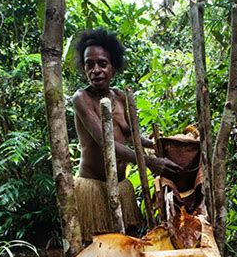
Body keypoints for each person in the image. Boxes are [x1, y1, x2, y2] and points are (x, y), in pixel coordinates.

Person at [73, 27, 180, 242]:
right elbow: (106, 143)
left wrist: (160, 145)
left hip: (121, 186)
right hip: (92, 188)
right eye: (89, 64)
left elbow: (132, 137)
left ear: (113, 67)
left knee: (127, 246)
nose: (96, 70)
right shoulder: (81, 99)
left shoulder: (121, 97)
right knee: (98, 252)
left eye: (102, 64)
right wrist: (148, 162)